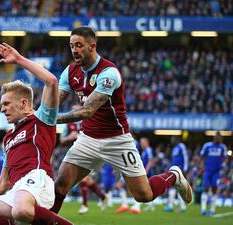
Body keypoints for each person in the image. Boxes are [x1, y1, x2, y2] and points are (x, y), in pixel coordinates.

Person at [50, 26, 193, 214]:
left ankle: (173, 176)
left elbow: (87, 111)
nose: (74, 50)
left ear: (92, 47)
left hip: (117, 140)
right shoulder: (70, 72)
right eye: (71, 46)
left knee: (144, 195)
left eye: (79, 45)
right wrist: (39, 115)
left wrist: (50, 119)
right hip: (88, 139)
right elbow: (53, 104)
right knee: (60, 186)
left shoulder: (109, 73)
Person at [0, 43, 73, 225]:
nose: (2, 109)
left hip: (37, 181)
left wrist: (18, 60)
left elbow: (51, 81)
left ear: (24, 104)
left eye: (6, 104)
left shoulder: (42, 119)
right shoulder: (8, 138)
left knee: (21, 209)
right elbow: (2, 181)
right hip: (17, 190)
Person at [59, 104, 106, 214]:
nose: (74, 112)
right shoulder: (68, 125)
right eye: (73, 110)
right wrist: (69, 137)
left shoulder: (87, 121)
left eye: (77, 110)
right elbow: (61, 140)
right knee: (86, 180)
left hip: (88, 152)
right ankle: (102, 196)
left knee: (83, 179)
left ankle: (85, 205)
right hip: (73, 154)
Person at [200, 131, 227, 216]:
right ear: (214, 138)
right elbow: (202, 156)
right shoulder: (207, 145)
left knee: (215, 188)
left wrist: (223, 164)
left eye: (220, 138)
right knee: (206, 188)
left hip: (217, 172)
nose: (218, 139)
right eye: (217, 137)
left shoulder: (223, 147)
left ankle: (212, 209)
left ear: (221, 139)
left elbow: (225, 158)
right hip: (207, 170)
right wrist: (201, 166)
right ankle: (203, 209)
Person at [164, 136, 189, 212]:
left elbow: (185, 157)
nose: (172, 140)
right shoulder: (174, 148)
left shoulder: (181, 146)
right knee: (175, 187)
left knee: (177, 187)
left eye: (173, 139)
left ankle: (174, 206)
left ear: (177, 139)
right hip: (174, 170)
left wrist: (185, 169)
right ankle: (178, 206)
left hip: (180, 169)